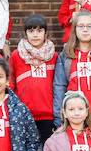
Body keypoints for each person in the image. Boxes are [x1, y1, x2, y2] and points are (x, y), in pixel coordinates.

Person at [12, 13, 59, 143]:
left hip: (48, 114)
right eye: (31, 31)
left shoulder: (54, 56)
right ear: (25, 33)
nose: (35, 34)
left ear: (46, 33)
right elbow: (11, 84)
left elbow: (59, 85)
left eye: (39, 30)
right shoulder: (17, 55)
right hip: (24, 113)